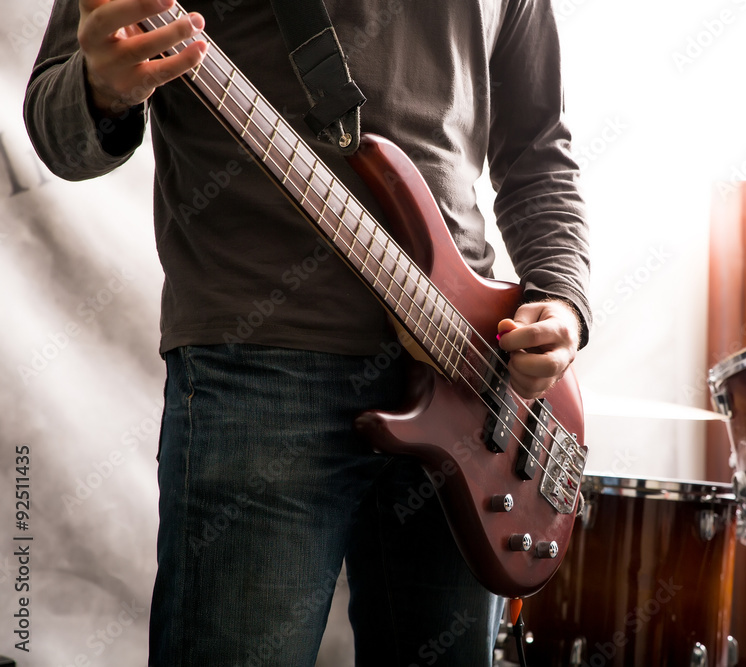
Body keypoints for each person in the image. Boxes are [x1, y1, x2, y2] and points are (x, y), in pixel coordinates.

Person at [25, 0, 591, 664]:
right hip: (258, 368)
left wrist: (560, 298)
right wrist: (100, 89)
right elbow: (57, 127)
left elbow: (538, 146)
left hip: (473, 373)